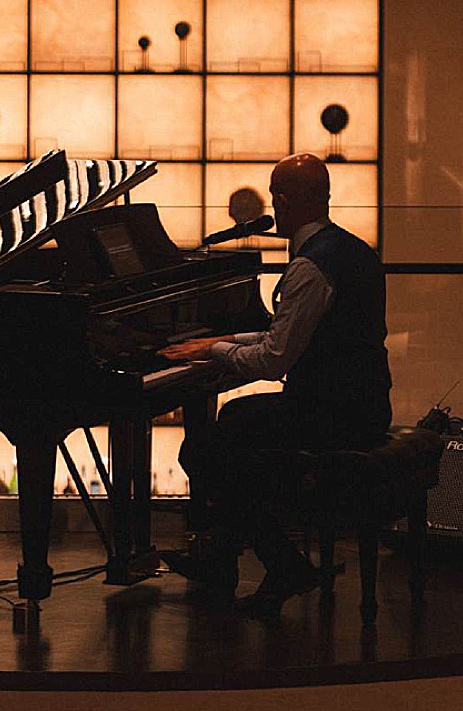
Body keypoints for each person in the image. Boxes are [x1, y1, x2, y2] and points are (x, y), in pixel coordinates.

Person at [157, 153, 392, 610]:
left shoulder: (309, 266)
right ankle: (229, 561)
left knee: (208, 449)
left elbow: (273, 358)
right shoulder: (351, 249)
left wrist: (210, 349)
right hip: (365, 403)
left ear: (282, 202)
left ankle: (278, 564)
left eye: (274, 195)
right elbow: (286, 331)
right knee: (234, 431)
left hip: (332, 413)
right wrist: (224, 340)